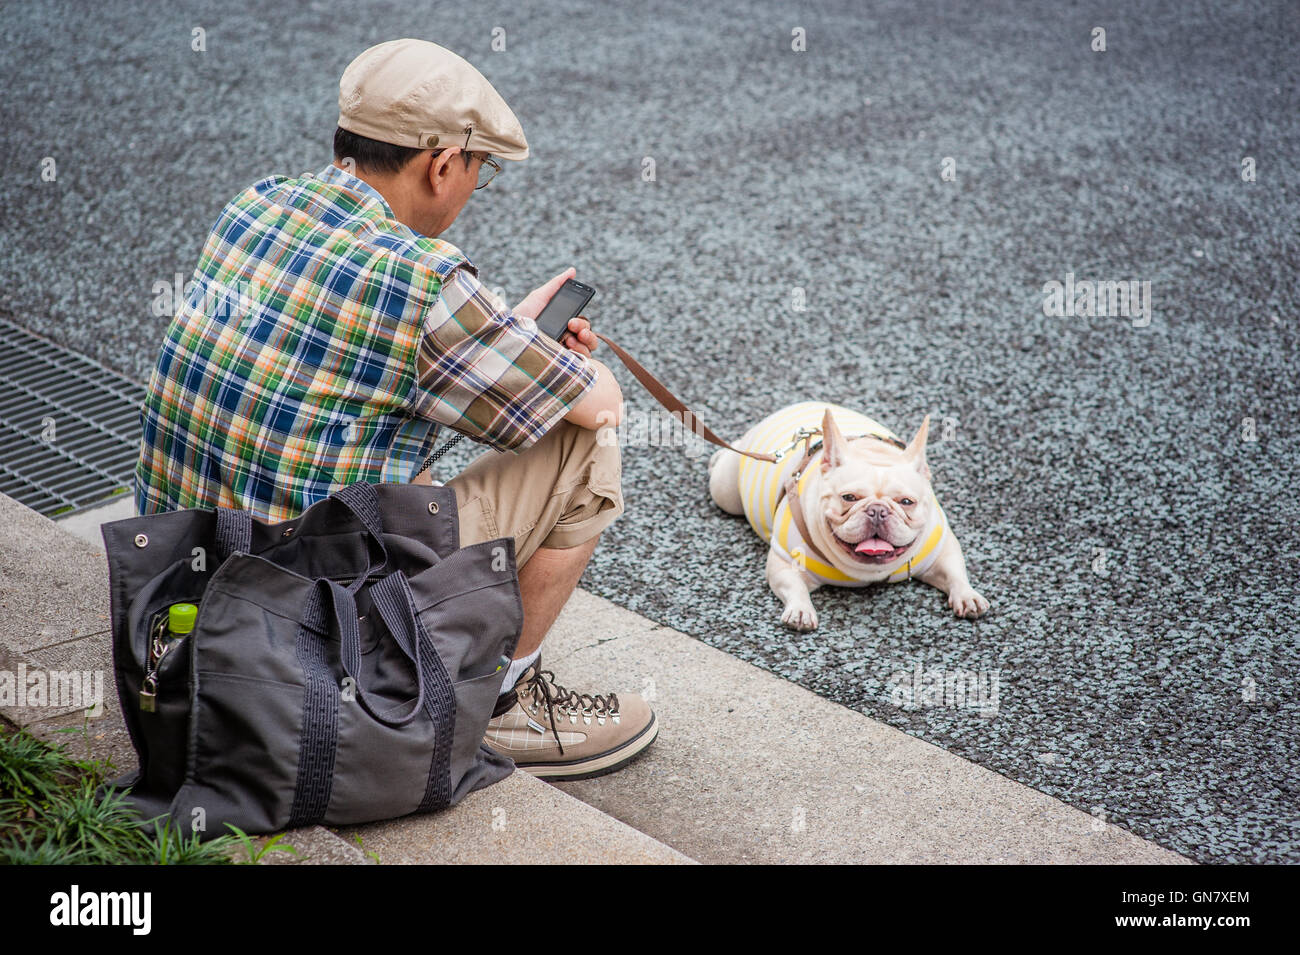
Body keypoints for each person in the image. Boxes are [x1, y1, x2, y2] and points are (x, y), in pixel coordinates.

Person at [134, 38, 657, 779]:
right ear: (443, 163)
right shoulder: (424, 279)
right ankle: (503, 702)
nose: (475, 185)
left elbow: (340, 360)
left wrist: (506, 340)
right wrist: (563, 363)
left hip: (174, 598)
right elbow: (599, 404)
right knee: (586, 445)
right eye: (482, 169)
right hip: (307, 629)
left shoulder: (256, 206)